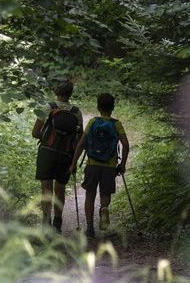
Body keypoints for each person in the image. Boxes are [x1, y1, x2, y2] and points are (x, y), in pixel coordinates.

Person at [69, 93, 129, 238]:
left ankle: (90, 228)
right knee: (105, 194)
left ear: (98, 106)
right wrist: (122, 164)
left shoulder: (92, 122)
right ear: (113, 107)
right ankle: (103, 208)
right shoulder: (116, 124)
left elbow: (81, 144)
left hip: (92, 164)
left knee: (90, 195)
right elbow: (125, 145)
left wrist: (73, 163)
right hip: (109, 165)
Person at [32, 79, 83, 232]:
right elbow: (79, 139)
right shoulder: (76, 112)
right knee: (60, 189)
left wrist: (47, 138)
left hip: (47, 153)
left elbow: (35, 132)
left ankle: (45, 222)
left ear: (56, 91)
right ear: (70, 93)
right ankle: (58, 223)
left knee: (46, 189)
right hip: (66, 155)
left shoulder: (48, 108)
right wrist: (73, 160)